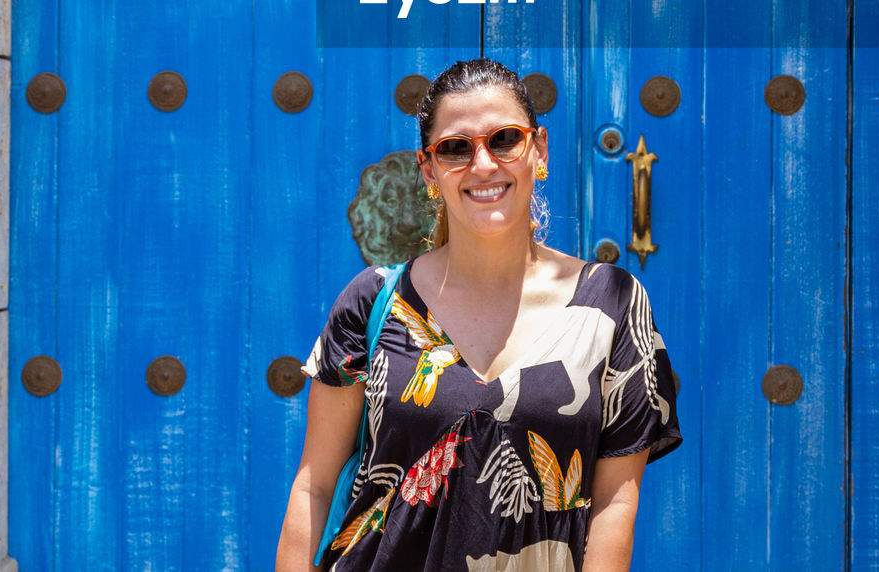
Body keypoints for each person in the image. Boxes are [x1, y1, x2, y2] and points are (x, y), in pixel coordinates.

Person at [275, 58, 680, 572]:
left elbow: (615, 505)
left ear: (540, 150)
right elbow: (314, 483)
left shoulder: (612, 304)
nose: (483, 164)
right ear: (428, 170)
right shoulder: (373, 300)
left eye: (504, 139)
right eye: (455, 147)